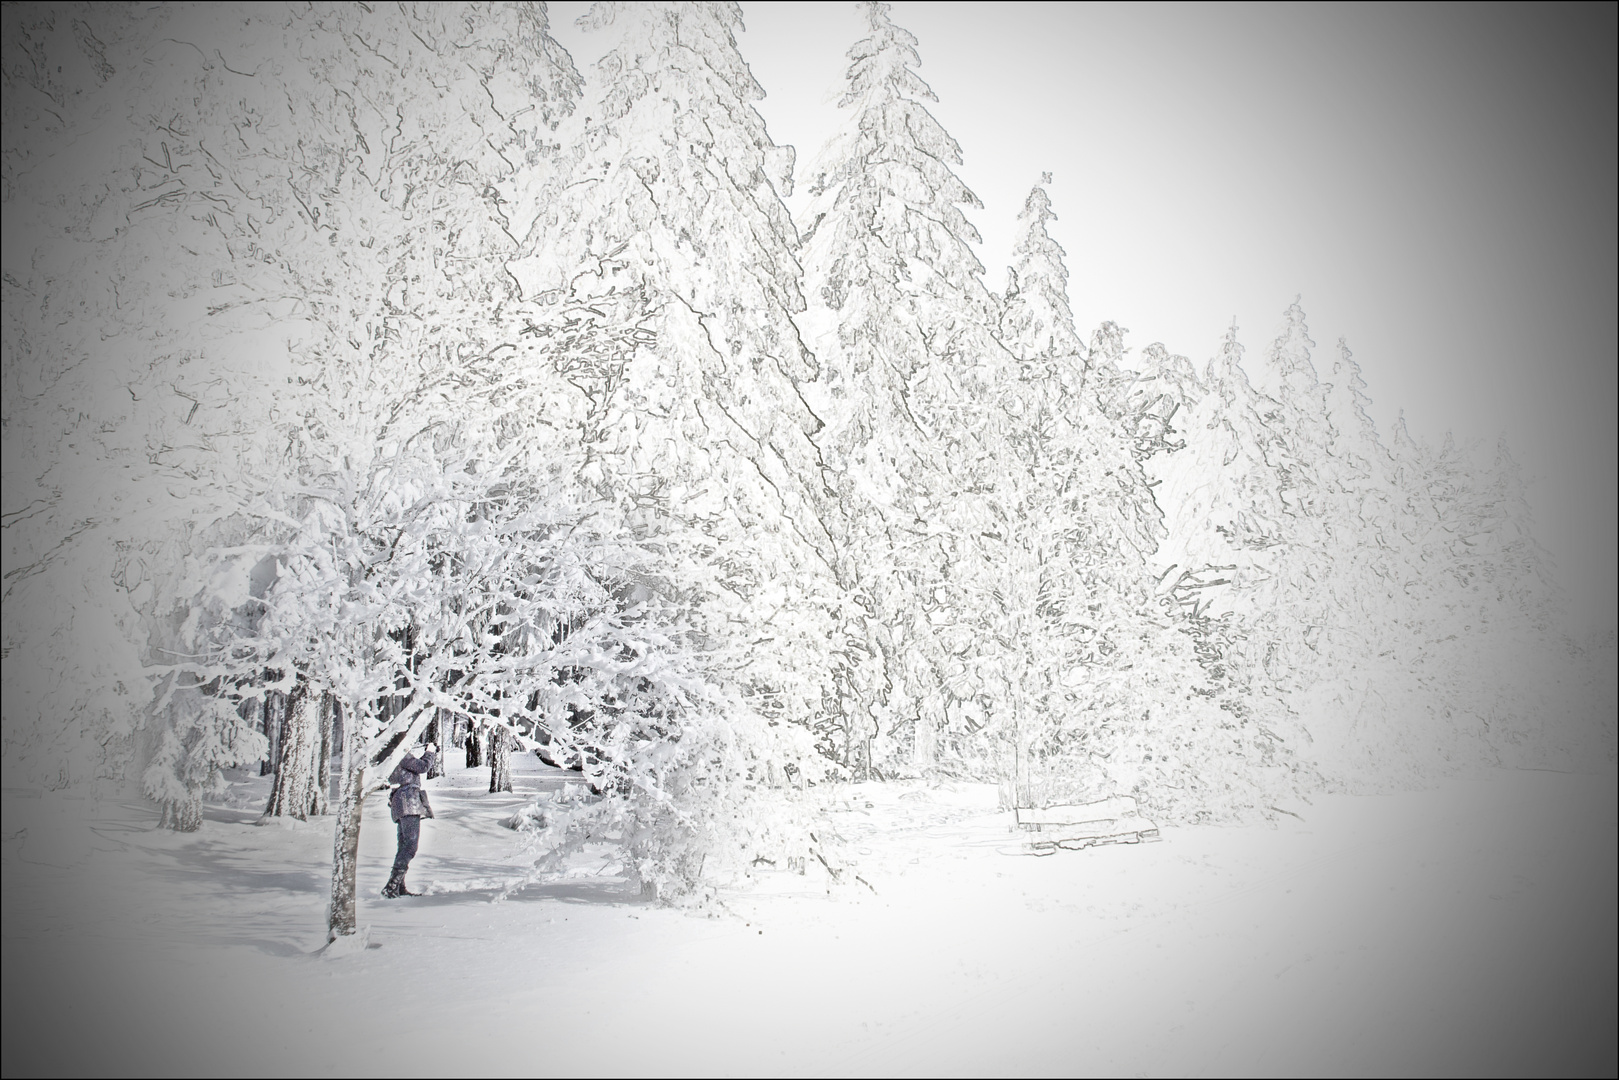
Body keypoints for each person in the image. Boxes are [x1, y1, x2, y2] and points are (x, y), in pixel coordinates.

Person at [382, 742, 436, 899]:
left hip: (399, 801)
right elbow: (422, 767)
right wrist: (430, 752)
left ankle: (398, 886)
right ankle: (392, 885)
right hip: (408, 800)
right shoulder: (398, 752)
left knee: (403, 845)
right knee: (410, 845)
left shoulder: (389, 754)